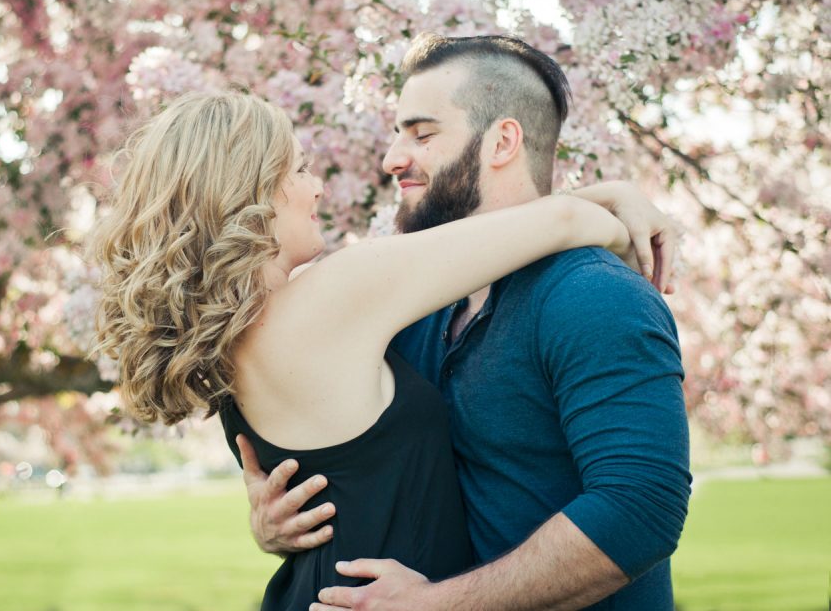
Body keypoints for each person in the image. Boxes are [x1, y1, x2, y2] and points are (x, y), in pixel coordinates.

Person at [85, 87, 675, 610]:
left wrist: (267, 530)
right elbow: (565, 220)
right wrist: (624, 200)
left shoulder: (220, 340)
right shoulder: (338, 294)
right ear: (248, 193)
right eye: (298, 169)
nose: (316, 186)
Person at [239, 34, 692, 611]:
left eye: (422, 134)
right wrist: (276, 517)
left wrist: (440, 603)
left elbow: (641, 509)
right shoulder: (411, 309)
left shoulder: (593, 296)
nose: (391, 158)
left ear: (503, 141)